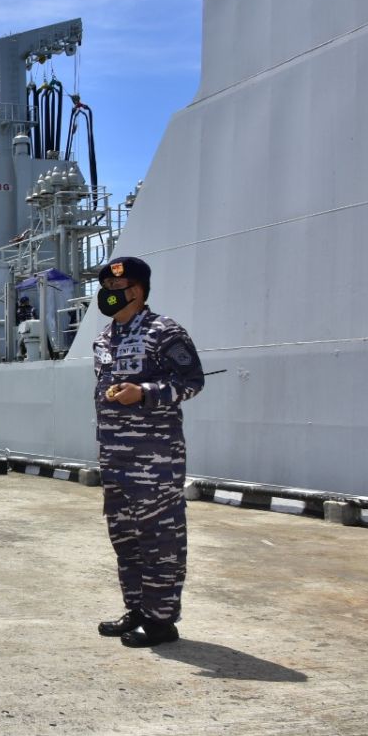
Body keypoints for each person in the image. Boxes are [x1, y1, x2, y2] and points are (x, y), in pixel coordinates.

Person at [92, 256, 204, 649]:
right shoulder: (104, 338)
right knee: (126, 539)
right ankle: (138, 609)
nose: (106, 294)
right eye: (104, 287)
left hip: (154, 460)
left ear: (135, 290)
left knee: (160, 540)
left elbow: (191, 381)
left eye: (113, 288)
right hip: (116, 459)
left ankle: (161, 622)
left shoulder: (164, 332)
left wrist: (145, 392)